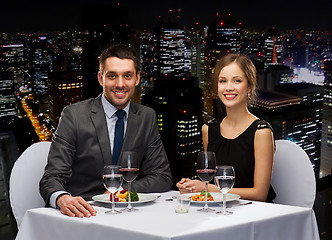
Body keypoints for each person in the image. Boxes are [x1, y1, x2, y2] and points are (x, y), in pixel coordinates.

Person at [40, 44, 173, 218]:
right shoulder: (73, 115)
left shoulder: (146, 117)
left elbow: (162, 177)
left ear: (137, 79)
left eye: (127, 76)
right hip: (84, 214)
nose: (120, 84)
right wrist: (62, 198)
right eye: (112, 76)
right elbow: (51, 177)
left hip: (131, 213)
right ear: (101, 79)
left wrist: (121, 192)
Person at [176, 53, 275, 202]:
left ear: (249, 86)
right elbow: (208, 179)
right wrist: (190, 186)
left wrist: (206, 188)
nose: (229, 87)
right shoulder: (208, 130)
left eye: (237, 81)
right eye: (223, 81)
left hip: (253, 214)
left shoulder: (261, 132)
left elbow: (259, 194)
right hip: (218, 211)